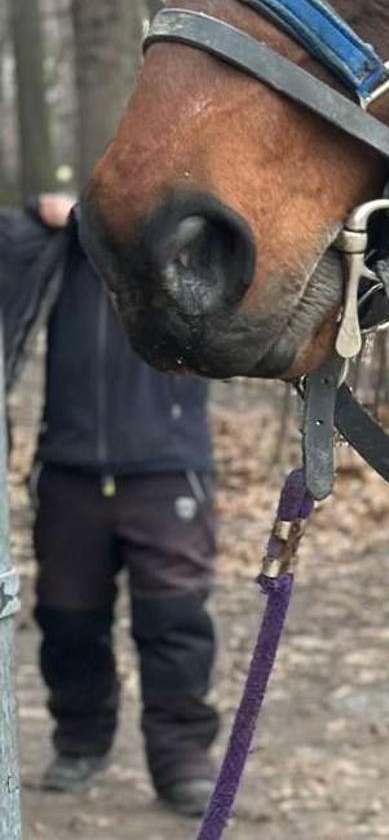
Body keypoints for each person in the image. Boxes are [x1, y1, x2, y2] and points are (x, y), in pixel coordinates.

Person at [0, 192, 220, 817]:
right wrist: (43, 212)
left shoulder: (190, 251)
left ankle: (181, 760)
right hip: (68, 469)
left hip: (169, 468)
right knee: (69, 622)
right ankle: (80, 741)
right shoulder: (65, 249)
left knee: (175, 624)